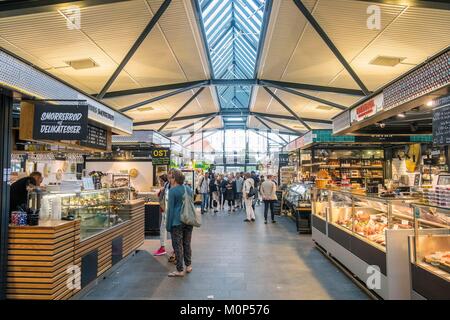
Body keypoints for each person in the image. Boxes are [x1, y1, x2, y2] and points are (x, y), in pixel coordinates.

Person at [166, 169, 194, 277]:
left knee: (177, 245)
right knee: (187, 243)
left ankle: (179, 269)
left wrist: (168, 225)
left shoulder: (173, 191)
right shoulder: (188, 189)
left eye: (170, 177)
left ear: (175, 178)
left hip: (177, 221)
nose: (169, 180)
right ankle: (189, 265)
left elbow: (170, 210)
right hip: (188, 220)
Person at [153, 174, 169, 256]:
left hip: (165, 211)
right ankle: (163, 247)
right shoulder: (166, 187)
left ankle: (163, 247)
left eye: (161, 181)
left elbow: (161, 198)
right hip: (165, 211)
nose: (160, 182)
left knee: (163, 229)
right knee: (163, 229)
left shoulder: (166, 188)